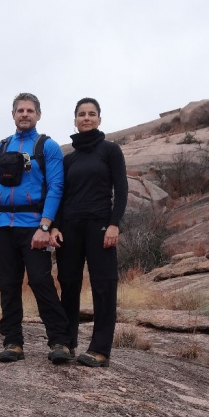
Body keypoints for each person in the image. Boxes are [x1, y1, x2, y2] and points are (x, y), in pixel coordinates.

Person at [0, 92, 74, 364]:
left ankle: (60, 341)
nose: (25, 114)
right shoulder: (0, 148)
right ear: (13, 115)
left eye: (30, 110)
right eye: (20, 110)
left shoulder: (47, 147)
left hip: (33, 227)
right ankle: (13, 342)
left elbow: (56, 188)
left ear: (38, 115)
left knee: (41, 281)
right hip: (3, 226)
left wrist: (45, 225)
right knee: (7, 283)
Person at [50, 97, 127, 367]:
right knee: (69, 284)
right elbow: (59, 195)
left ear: (99, 119)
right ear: (74, 120)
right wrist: (55, 226)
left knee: (103, 286)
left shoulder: (110, 150)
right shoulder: (68, 159)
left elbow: (121, 189)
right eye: (81, 114)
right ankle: (66, 343)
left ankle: (100, 349)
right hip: (70, 227)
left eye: (91, 114)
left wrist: (115, 223)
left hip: (100, 226)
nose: (86, 118)